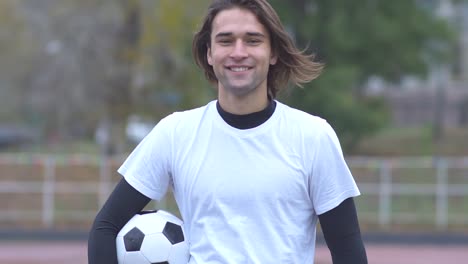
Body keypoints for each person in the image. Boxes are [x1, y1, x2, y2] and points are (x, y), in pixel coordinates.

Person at [88, 0, 368, 263]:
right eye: (225, 40)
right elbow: (106, 226)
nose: (238, 52)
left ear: (273, 53)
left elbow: (347, 246)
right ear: (209, 53)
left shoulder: (313, 136)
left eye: (253, 40)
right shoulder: (175, 132)